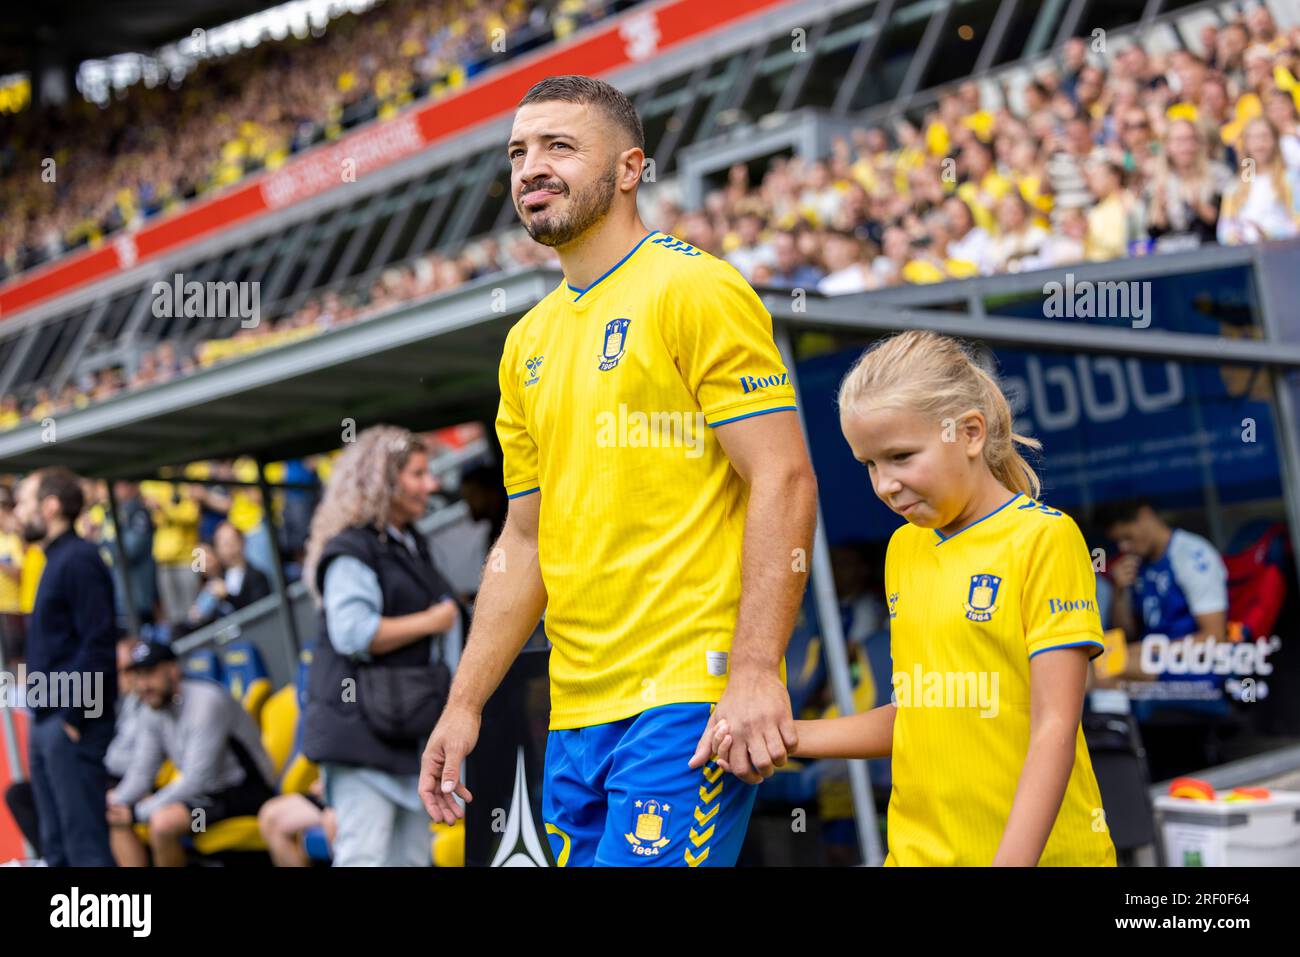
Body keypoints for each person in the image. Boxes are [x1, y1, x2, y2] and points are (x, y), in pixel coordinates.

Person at [420, 75, 817, 868]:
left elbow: (784, 479)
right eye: (518, 153)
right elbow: (524, 540)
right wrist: (463, 704)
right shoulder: (525, 344)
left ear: (631, 168)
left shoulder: (694, 287)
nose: (531, 166)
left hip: (685, 696)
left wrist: (753, 670)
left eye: (559, 146)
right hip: (575, 710)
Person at [715, 331, 1116, 866]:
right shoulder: (903, 549)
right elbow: (919, 714)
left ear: (969, 433)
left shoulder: (1043, 538)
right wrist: (780, 737)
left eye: (901, 456)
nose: (884, 484)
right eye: (870, 465)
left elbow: (1054, 727)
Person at [300, 426, 461, 867]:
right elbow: (353, 633)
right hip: (361, 735)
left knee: (409, 859)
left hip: (403, 733)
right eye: (417, 474)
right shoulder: (352, 548)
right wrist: (433, 621)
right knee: (364, 857)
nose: (432, 484)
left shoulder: (409, 543)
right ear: (383, 480)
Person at [16, 467, 119, 866]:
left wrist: (74, 717)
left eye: (25, 503)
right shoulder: (53, 560)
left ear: (51, 505)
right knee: (56, 845)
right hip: (48, 719)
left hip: (69, 722)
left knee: (84, 846)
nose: (18, 514)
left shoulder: (79, 559)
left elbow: (98, 645)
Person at [107, 641, 277, 867]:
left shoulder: (206, 702)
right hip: (204, 800)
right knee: (115, 816)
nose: (142, 685)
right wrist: (117, 802)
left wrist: (138, 812)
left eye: (149, 674)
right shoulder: (154, 708)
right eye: (137, 676)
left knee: (163, 823)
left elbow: (197, 781)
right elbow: (142, 771)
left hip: (246, 797)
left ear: (173, 670)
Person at [0, 484, 27, 667]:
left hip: (12, 610)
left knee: (17, 661)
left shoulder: (15, 538)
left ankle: (19, 695)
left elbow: (20, 573)